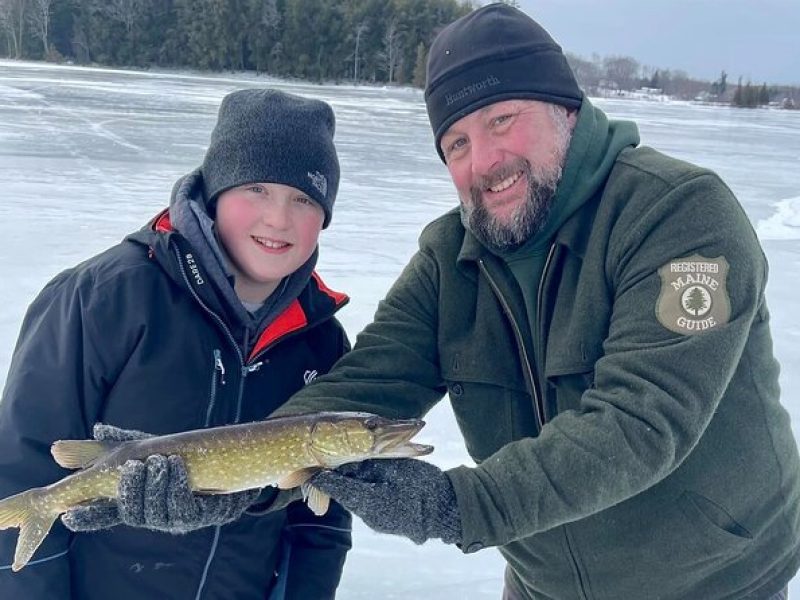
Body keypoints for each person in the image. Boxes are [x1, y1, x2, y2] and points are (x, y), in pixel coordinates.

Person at [268, 4, 800, 599]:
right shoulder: (451, 259)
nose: (484, 162)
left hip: (713, 584)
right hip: (542, 587)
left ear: (565, 110)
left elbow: (641, 420)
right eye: (458, 143)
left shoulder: (678, 215)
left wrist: (456, 505)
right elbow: (369, 381)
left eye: (502, 119)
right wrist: (217, 475)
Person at [0, 88, 352, 599]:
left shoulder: (323, 345)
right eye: (256, 188)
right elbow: (21, 469)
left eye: (304, 198)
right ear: (214, 192)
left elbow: (320, 527)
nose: (279, 219)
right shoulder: (104, 297)